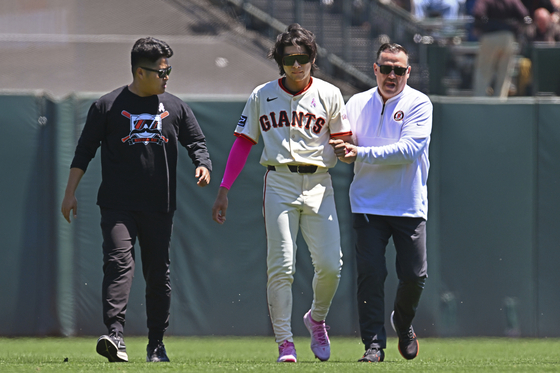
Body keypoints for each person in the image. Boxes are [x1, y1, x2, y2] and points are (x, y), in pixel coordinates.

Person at [60, 37, 212, 363]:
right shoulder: (107, 106)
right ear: (140, 72)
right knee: (118, 264)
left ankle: (156, 344)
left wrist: (203, 163)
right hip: (118, 205)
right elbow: (84, 151)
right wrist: (70, 192)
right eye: (162, 71)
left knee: (159, 275)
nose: (167, 76)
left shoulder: (175, 107)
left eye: (169, 69)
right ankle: (115, 336)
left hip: (160, 206)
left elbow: (196, 142)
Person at [211, 23, 352, 363]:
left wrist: (346, 149)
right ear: (280, 61)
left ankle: (316, 319)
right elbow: (243, 143)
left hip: (319, 184)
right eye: (289, 59)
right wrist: (224, 189)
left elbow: (344, 140)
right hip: (280, 182)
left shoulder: (329, 94)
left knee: (331, 266)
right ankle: (285, 342)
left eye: (303, 58)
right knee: (282, 266)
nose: (297, 65)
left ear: (312, 58)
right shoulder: (262, 94)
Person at [330, 43, 432, 363]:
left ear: (407, 72)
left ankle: (402, 323)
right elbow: (344, 142)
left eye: (398, 70)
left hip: (408, 203)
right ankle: (373, 344)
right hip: (367, 203)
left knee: (415, 275)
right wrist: (343, 150)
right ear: (374, 69)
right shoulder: (357, 103)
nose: (391, 75)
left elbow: (408, 150)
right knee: (371, 274)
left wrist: (358, 153)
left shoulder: (419, 103)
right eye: (385, 68)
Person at [472, 0, 530, 97]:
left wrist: (488, 24)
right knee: (504, 74)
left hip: (489, 36)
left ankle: (480, 99)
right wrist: (514, 27)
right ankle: (500, 101)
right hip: (507, 37)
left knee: (484, 71)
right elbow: (525, 17)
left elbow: (478, 14)